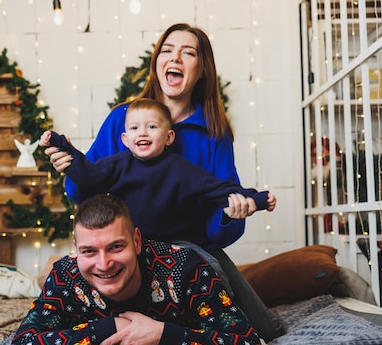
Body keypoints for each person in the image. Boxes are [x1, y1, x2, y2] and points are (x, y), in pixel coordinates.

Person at [45, 23, 285, 342]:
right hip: (131, 243)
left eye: (188, 53)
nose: (176, 57)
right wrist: (70, 166)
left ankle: (185, 332)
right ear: (157, 62)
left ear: (201, 70)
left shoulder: (214, 133)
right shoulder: (123, 118)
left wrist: (234, 211)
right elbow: (87, 189)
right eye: (168, 51)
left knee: (265, 329)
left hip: (191, 244)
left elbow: (221, 210)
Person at [10, 194, 263, 345]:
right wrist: (110, 328)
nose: (104, 263)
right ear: (76, 250)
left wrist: (162, 334)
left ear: (137, 241)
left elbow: (249, 344)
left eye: (116, 247)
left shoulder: (185, 268)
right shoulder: (65, 275)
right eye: (89, 251)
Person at [39, 98, 276, 245]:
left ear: (169, 137)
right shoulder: (117, 165)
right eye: (134, 128)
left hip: (180, 246)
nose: (142, 133)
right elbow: (89, 176)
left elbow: (219, 189)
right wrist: (62, 145)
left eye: (151, 127)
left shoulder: (181, 169)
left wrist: (256, 199)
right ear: (125, 138)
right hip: (132, 245)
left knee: (210, 279)